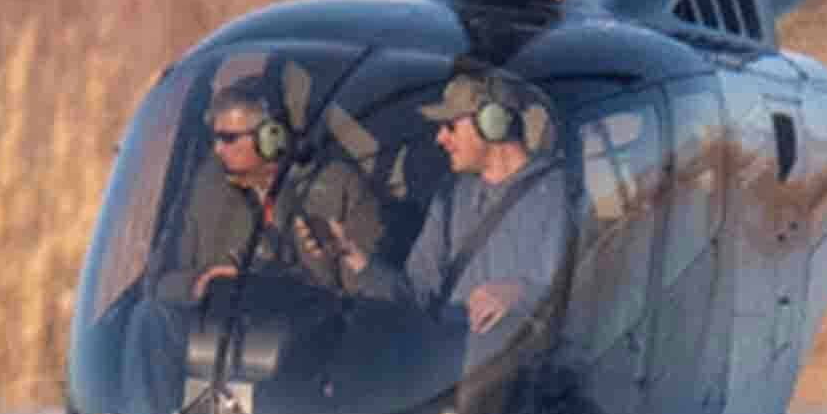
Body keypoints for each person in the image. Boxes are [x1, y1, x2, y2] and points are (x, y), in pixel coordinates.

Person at [153, 81, 389, 308]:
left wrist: (349, 255)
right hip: (222, 330)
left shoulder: (340, 187)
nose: (218, 149)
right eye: (215, 139)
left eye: (228, 138)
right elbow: (156, 285)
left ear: (270, 137)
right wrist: (201, 283)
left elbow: (383, 302)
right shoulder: (204, 188)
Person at [403, 72, 568, 339]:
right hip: (449, 355)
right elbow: (417, 287)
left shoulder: (557, 194)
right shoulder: (450, 195)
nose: (440, 138)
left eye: (450, 125)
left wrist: (521, 292)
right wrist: (362, 268)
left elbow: (578, 293)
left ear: (492, 123)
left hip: (515, 357)